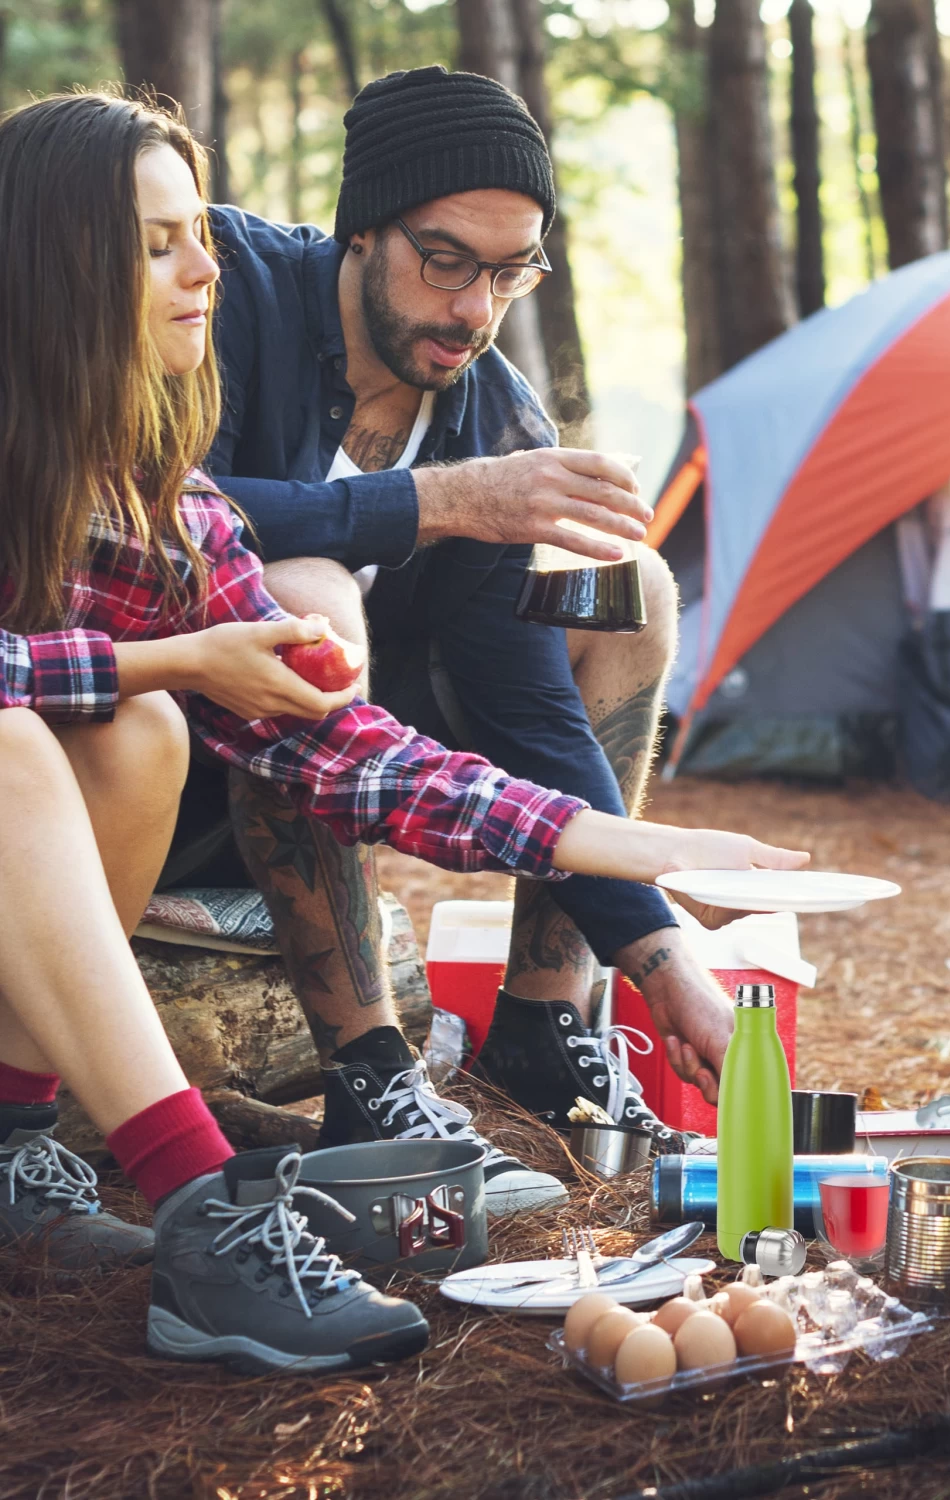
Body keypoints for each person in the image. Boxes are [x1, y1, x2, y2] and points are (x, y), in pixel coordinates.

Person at [0, 90, 804, 1373]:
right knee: (32, 741)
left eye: (510, 274)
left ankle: (17, 1153)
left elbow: (351, 745)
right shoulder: (238, 325)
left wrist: (628, 858)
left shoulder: (144, 482)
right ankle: (211, 1208)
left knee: (157, 721)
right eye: (158, 244)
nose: (197, 266)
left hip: (149, 791)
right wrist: (181, 654)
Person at [187, 66, 733, 1182]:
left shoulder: (486, 406)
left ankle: (544, 1021)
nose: (475, 310)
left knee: (621, 586)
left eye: (510, 271)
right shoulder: (226, 293)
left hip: (366, 767)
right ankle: (369, 1074)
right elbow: (159, 514)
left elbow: (527, 704)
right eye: (446, 262)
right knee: (309, 600)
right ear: (361, 231)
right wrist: (438, 502)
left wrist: (659, 948)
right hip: (161, 740)